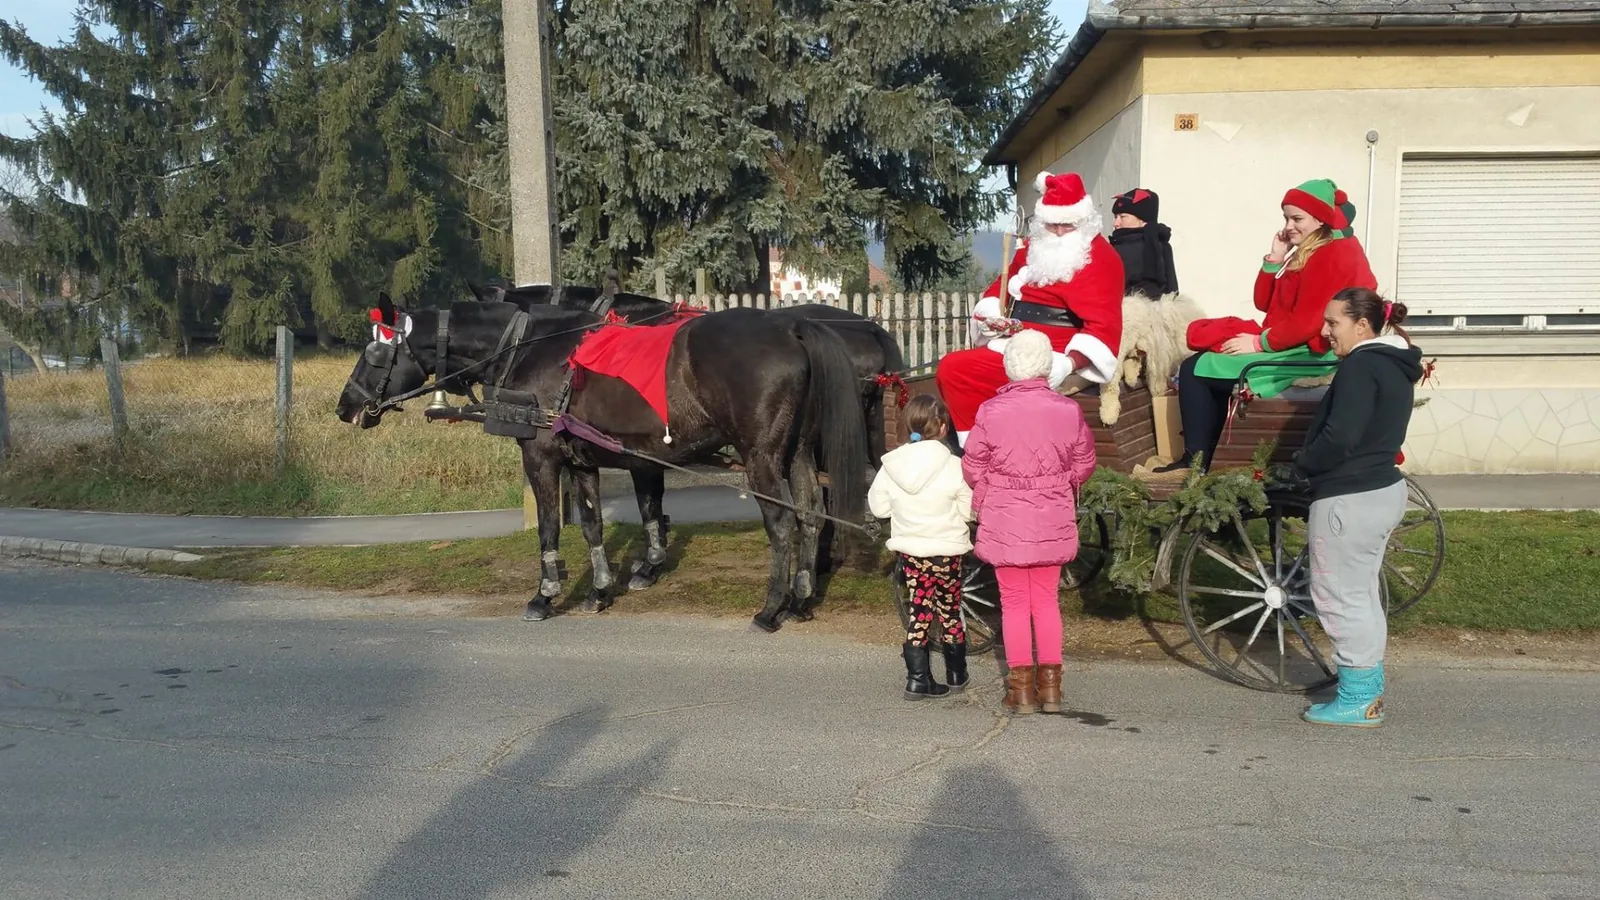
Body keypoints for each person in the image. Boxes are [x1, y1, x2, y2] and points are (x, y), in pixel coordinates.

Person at [1153, 178, 1378, 475]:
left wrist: (1260, 344)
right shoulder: (1310, 247)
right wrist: (1275, 258)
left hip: (1313, 352)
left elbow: (1310, 319)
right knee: (1201, 364)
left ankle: (1196, 461)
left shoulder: (1332, 252)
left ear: (1320, 218)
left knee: (1196, 369)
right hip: (1291, 341)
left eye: (1297, 218)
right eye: (1286, 217)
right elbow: (1264, 302)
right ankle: (1206, 458)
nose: (1288, 225)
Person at [1284, 287, 1424, 727]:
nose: (1325, 332)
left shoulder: (1361, 366)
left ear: (1362, 325)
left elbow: (1341, 437)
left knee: (1340, 597)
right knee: (1360, 597)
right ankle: (1366, 691)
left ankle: (1358, 700)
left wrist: (1301, 465)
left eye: (1333, 323)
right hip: (1380, 490)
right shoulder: (1393, 364)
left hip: (1350, 497)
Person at [961, 331, 1097, 715]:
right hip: (1052, 516)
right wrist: (1063, 481)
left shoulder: (990, 411)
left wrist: (988, 487)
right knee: (1047, 602)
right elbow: (1084, 463)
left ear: (1009, 366)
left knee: (1015, 603)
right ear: (1047, 366)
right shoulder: (1067, 410)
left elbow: (972, 465)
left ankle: (1020, 692)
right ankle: (1051, 690)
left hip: (1006, 518)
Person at [935, 171, 1125, 444]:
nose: (1058, 231)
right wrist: (990, 313)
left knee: (962, 371)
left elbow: (1104, 326)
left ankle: (990, 445)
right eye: (1051, 224)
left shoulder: (1104, 259)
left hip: (1054, 349)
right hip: (1012, 340)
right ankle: (978, 446)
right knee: (951, 369)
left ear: (1083, 220)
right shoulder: (1035, 247)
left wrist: (1070, 362)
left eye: (1067, 225)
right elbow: (1002, 284)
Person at [868, 395, 975, 701]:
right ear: (942, 427)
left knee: (919, 613)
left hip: (912, 553)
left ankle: (917, 680)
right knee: (950, 611)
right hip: (947, 552)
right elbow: (968, 511)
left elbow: (878, 506)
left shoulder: (893, 465)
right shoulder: (956, 466)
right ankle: (957, 674)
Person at [1108, 188, 1179, 299]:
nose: (1116, 223)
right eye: (1115, 217)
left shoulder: (1121, 249)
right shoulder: (1162, 244)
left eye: (1123, 217)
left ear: (1143, 220)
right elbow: (1173, 291)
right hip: (1158, 312)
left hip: (1126, 312)